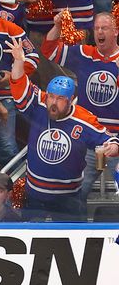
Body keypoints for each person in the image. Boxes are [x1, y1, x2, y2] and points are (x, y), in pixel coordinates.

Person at [8, 40, 119, 221]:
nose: (52, 102)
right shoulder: (40, 104)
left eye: (60, 98)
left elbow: (108, 139)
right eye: (51, 96)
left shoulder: (83, 119)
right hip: (35, 196)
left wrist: (112, 147)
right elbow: (20, 87)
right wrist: (19, 61)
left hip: (68, 199)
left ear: (71, 99)